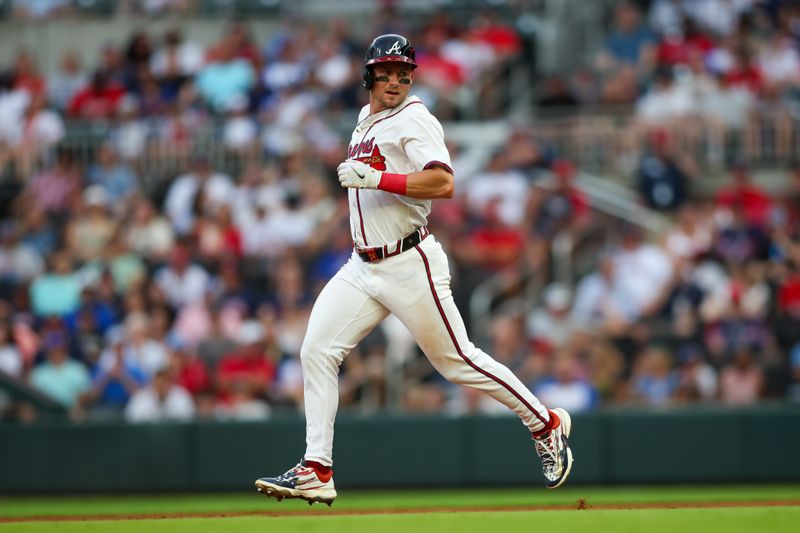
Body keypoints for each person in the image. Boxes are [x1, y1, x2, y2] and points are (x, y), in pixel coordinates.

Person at [255, 34, 573, 506]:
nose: (396, 80)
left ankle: (544, 424)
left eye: (404, 72)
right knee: (316, 351)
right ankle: (316, 470)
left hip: (408, 260)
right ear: (369, 76)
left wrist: (379, 177)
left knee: (456, 361)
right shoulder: (366, 118)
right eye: (386, 71)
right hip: (362, 265)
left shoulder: (415, 117)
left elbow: (444, 182)